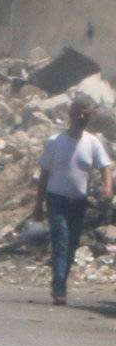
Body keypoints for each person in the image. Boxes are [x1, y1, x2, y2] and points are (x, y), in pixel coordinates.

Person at [34, 93, 111, 306]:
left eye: (86, 115)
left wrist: (107, 188)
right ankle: (59, 287)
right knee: (61, 241)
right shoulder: (55, 142)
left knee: (72, 244)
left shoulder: (92, 143)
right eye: (79, 114)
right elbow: (43, 176)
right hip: (56, 200)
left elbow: (106, 168)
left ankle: (60, 281)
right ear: (71, 115)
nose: (82, 118)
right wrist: (38, 205)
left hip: (78, 203)